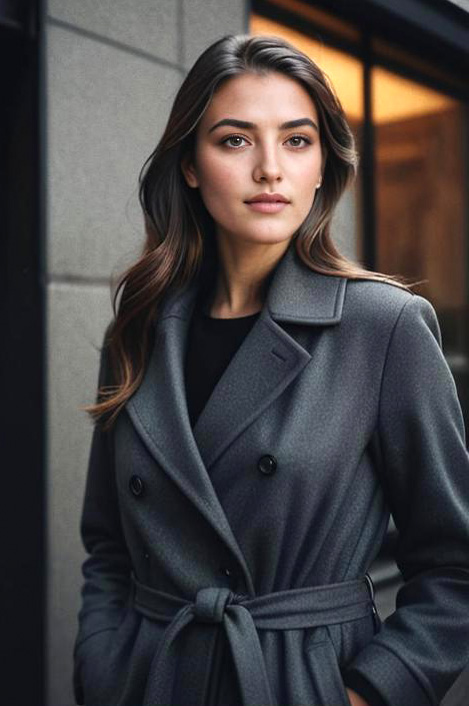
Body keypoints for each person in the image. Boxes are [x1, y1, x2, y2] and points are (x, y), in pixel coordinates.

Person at [72, 34, 469, 706]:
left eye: (295, 140)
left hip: (295, 680)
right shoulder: (135, 331)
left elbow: (454, 564)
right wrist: (103, 668)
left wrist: (368, 693)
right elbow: (108, 547)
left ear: (321, 166)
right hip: (154, 679)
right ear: (191, 165)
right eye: (233, 140)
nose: (268, 169)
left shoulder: (383, 325)